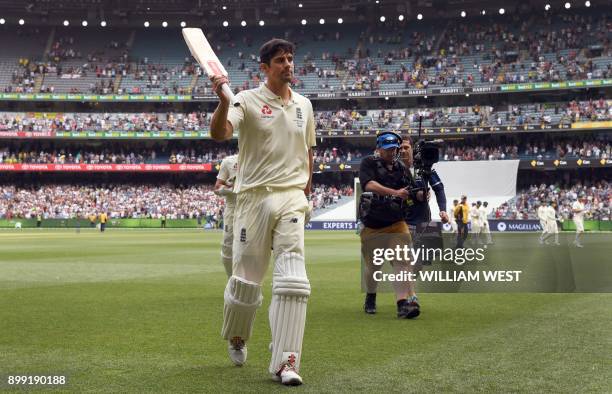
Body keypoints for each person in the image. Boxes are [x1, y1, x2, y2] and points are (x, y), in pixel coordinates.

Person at [209, 38, 315, 386]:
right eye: (281, 60)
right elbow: (220, 133)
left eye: (290, 58)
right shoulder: (246, 100)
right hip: (253, 199)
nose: (288, 64)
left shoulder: (304, 105)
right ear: (264, 68)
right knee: (245, 284)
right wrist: (223, 102)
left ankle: (286, 361)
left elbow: (307, 150)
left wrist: (306, 187)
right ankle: (238, 337)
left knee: (293, 280)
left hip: (291, 198)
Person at [359, 131, 421, 319]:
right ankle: (371, 296)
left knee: (402, 262)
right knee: (373, 269)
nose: (391, 152)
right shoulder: (368, 163)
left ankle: (402, 304)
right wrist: (394, 192)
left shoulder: (402, 168)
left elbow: (410, 191)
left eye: (394, 149)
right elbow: (368, 185)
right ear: (378, 148)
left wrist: (419, 195)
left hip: (396, 223)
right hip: (373, 225)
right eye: (387, 149)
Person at [215, 153, 239, 277]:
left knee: (251, 247)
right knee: (227, 246)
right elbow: (217, 187)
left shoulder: (260, 159)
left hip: (253, 207)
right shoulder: (229, 161)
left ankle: (250, 284)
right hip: (232, 208)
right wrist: (230, 189)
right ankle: (232, 280)